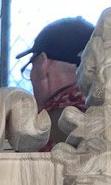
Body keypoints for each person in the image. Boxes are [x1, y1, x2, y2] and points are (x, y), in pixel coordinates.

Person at [16, 17, 94, 151]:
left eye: (32, 65)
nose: (31, 75)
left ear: (42, 64)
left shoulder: (40, 132)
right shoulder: (108, 112)